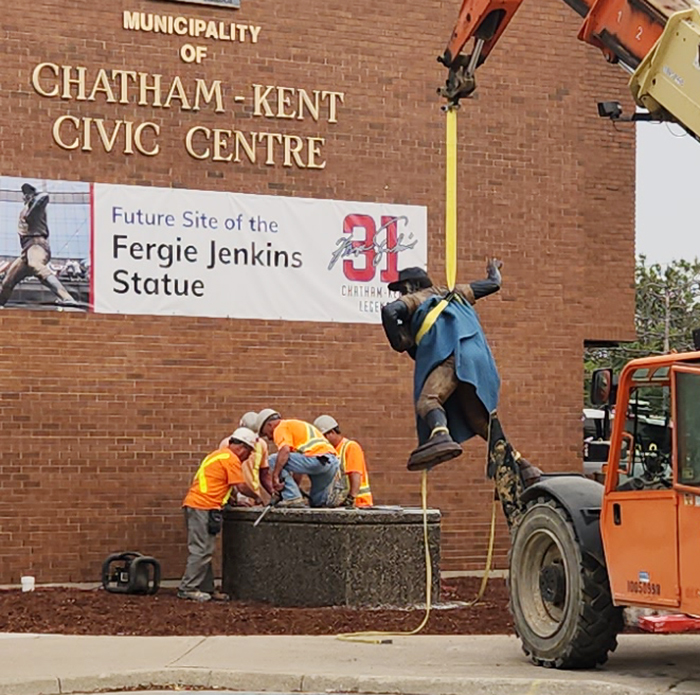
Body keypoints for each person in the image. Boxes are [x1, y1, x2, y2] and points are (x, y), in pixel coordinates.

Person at [380, 259, 540, 528]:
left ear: (410, 286)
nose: (400, 295)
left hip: (453, 354)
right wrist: (494, 269)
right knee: (480, 423)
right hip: (478, 358)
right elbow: (493, 284)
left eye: (401, 289)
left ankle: (440, 436)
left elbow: (389, 311)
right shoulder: (453, 292)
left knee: (429, 401)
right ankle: (525, 467)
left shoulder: (419, 297)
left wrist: (399, 340)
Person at [178, 427, 261, 602]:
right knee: (201, 550)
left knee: (205, 550)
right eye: (249, 452)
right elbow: (241, 486)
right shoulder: (231, 459)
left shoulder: (217, 455)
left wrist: (232, 501)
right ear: (242, 448)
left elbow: (220, 483)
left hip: (201, 506)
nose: (248, 457)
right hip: (203, 507)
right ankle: (188, 588)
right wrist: (257, 496)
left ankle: (206, 588)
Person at [0, 183, 77, 308]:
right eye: (25, 195)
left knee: (36, 265)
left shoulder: (36, 207)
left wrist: (34, 197)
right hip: (26, 250)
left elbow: (44, 196)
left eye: (28, 194)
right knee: (9, 280)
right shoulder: (26, 209)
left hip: (37, 245)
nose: (25, 197)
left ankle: (66, 297)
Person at [256, 409, 346, 508]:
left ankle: (291, 497)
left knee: (274, 459)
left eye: (266, 433)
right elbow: (298, 466)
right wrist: (295, 487)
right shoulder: (296, 427)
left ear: (270, 425)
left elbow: (284, 451)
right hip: (331, 463)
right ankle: (320, 503)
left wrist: (275, 477)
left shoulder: (280, 427)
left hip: (316, 459)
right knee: (317, 503)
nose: (269, 438)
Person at [313, 415, 373, 507]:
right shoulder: (331, 450)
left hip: (358, 504)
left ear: (332, 433)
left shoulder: (350, 447)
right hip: (342, 505)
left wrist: (351, 498)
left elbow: (355, 474)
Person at [219, 411, 272, 505]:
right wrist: (234, 497)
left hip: (252, 493)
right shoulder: (228, 444)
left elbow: (264, 474)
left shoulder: (261, 444)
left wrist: (272, 493)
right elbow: (225, 475)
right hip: (236, 493)